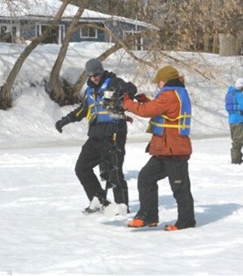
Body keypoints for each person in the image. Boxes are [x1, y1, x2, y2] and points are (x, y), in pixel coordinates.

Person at [54, 58, 137, 214]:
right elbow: (81, 111)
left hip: (114, 133)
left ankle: (122, 207)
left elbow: (132, 89)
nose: (94, 78)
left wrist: (121, 98)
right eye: (91, 76)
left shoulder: (114, 82)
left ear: (102, 71)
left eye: (97, 74)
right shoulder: (89, 92)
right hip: (96, 136)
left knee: (114, 171)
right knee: (82, 168)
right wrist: (64, 121)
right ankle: (98, 200)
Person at [121, 65, 196, 231]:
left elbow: (148, 111)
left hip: (174, 150)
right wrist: (145, 101)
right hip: (165, 150)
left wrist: (127, 103)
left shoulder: (170, 94)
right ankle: (149, 216)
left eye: (158, 82)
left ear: (164, 81)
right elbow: (161, 110)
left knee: (180, 188)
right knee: (146, 178)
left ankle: (186, 221)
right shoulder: (175, 92)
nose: (157, 85)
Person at [225, 78, 243, 165]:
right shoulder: (239, 94)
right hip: (238, 119)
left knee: (234, 140)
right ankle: (236, 160)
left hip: (231, 120)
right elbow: (242, 107)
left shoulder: (229, 93)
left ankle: (237, 157)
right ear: (242, 86)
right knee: (239, 141)